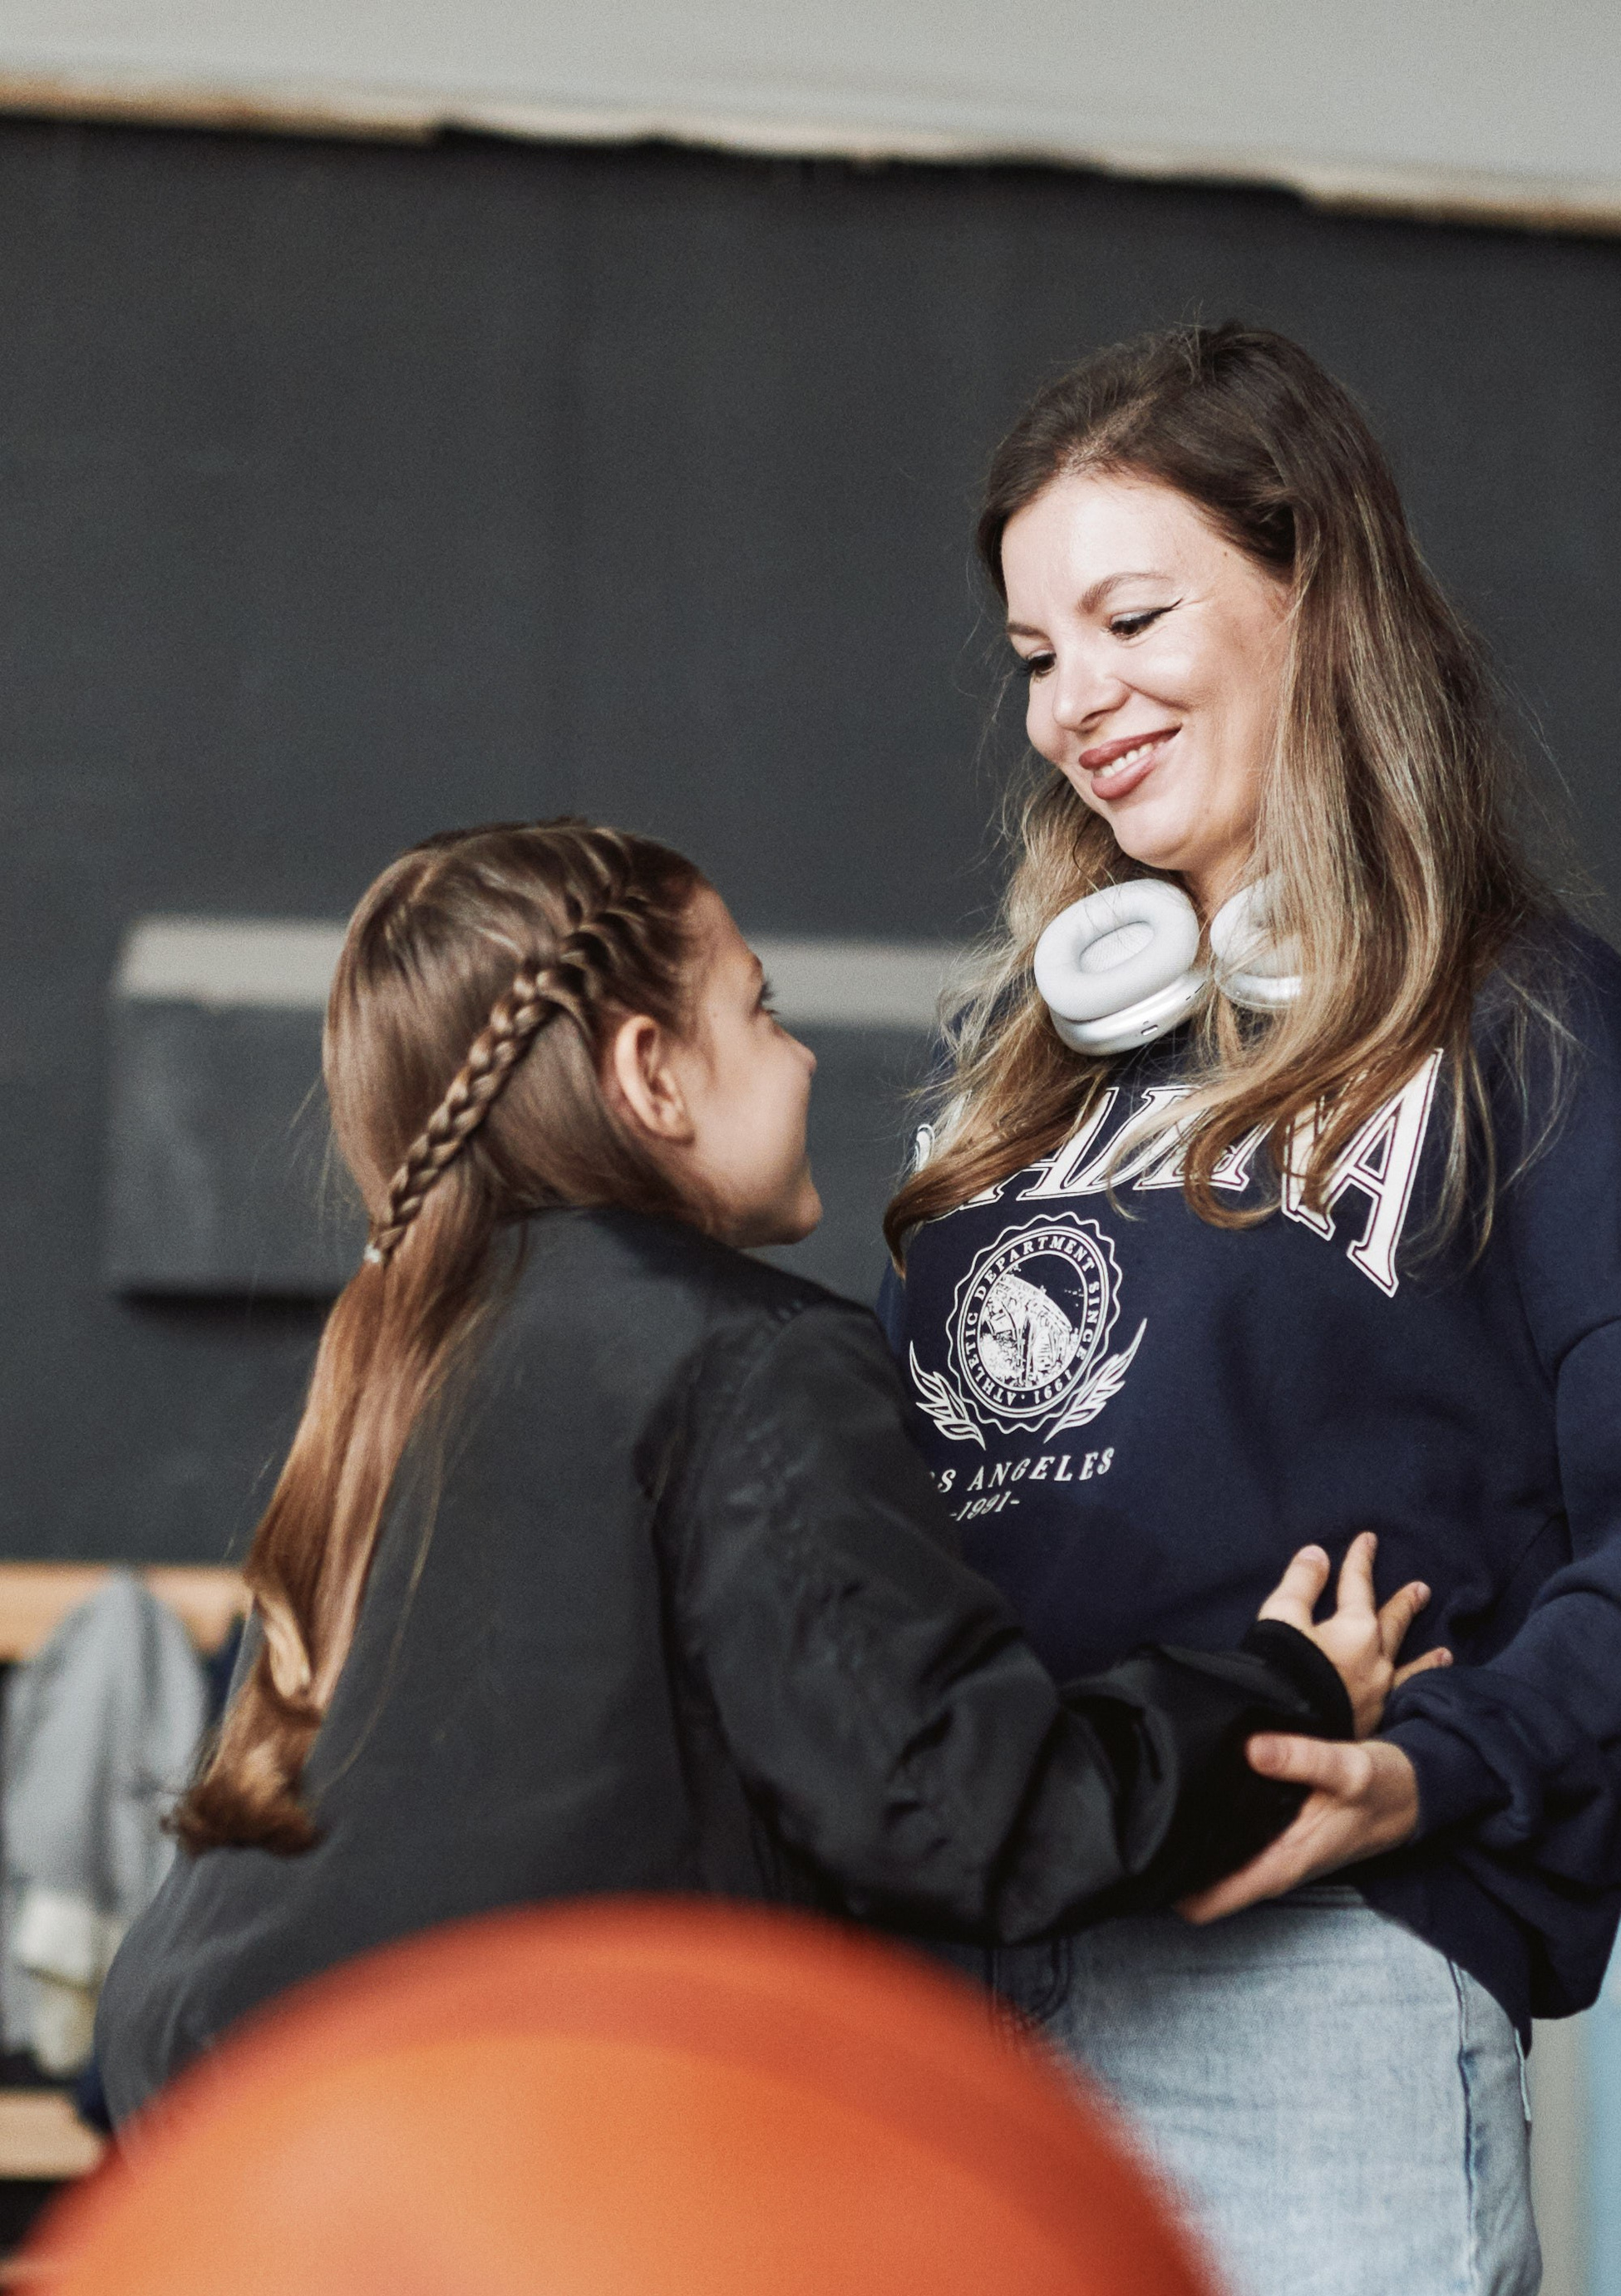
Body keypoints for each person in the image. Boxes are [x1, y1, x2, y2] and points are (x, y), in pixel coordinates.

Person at [879, 323, 1621, 2296]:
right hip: (976, 2003)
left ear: (1319, 598)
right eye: (1043, 650)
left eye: (1142, 618)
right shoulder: (1026, 1092)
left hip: (1300, 2011)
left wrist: (1446, 1769)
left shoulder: (1531, 1040)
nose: (1083, 699)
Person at [96, 817, 1425, 2123]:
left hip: (231, 2145)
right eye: (759, 1008)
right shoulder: (746, 1354)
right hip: (497, 2171)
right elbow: (953, 1812)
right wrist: (1286, 1695)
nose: (793, 1058)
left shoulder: (398, 1362)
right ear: (651, 1074)